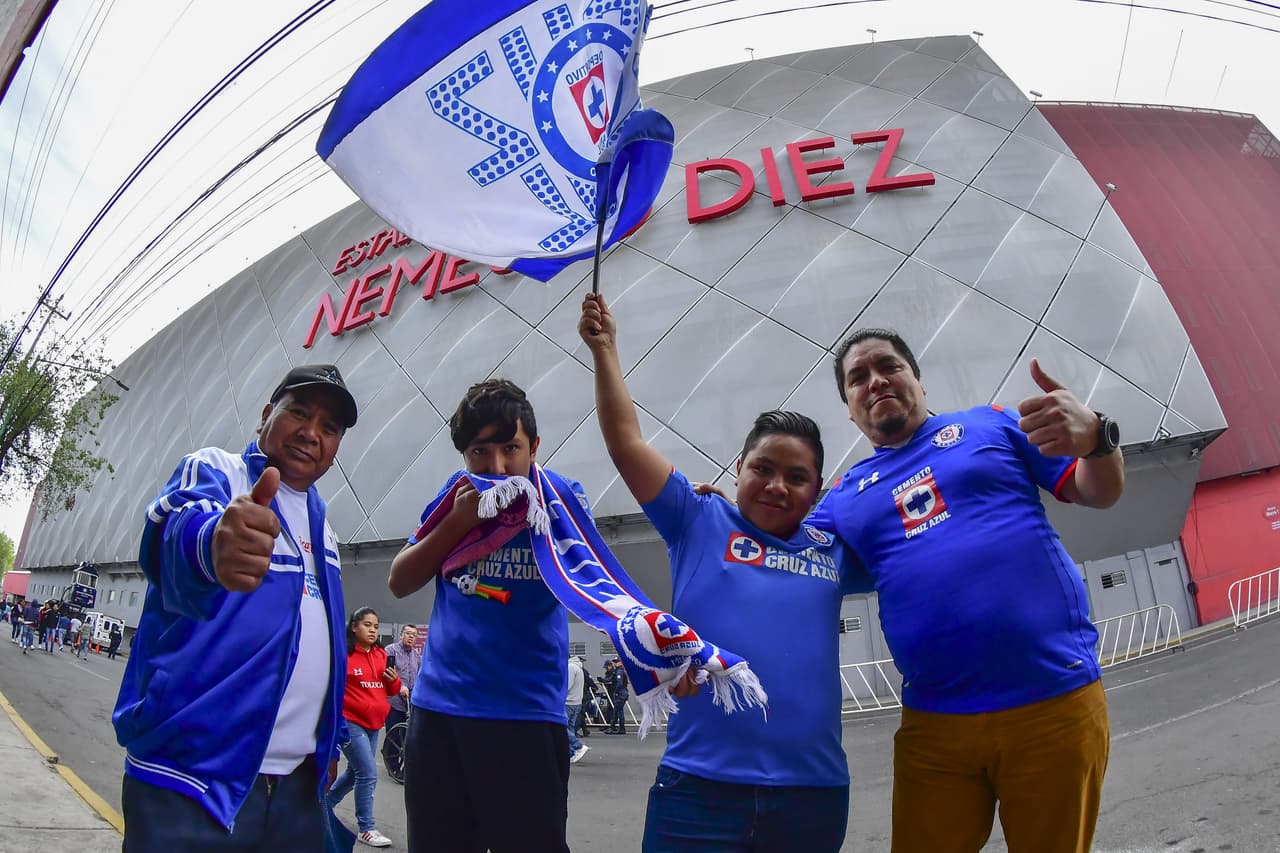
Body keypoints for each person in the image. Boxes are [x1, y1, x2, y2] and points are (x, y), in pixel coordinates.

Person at [808, 328, 1125, 853]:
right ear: (849, 408)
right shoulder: (843, 497)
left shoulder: (991, 424)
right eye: (857, 378)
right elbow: (782, 553)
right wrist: (720, 514)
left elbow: (1099, 491)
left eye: (889, 366)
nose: (875, 381)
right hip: (935, 726)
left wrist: (1097, 438)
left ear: (917, 379)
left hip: (1052, 700)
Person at [579, 293, 871, 852]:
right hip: (697, 790)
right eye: (762, 468)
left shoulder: (834, 548)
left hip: (812, 795)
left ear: (817, 490)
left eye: (797, 476)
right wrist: (606, 349)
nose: (776, 485)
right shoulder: (697, 518)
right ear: (738, 469)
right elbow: (626, 444)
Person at [112, 363, 358, 851]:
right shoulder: (217, 472)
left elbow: (325, 643)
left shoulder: (324, 528)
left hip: (295, 791)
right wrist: (210, 546)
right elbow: (171, 536)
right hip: (193, 782)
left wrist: (331, 741)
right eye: (299, 413)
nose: (312, 433)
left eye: (329, 428)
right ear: (267, 415)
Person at [389, 378, 583, 853]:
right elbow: (400, 579)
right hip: (439, 715)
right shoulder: (456, 496)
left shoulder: (561, 501)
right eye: (479, 452)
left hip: (525, 715)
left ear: (534, 446)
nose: (496, 467)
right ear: (464, 454)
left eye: (510, 449)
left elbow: (600, 588)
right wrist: (459, 522)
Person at [328, 606, 401, 848]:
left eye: (376, 626)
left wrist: (394, 681)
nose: (372, 630)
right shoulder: (344, 655)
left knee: (354, 773)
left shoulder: (380, 654)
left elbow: (389, 690)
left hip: (374, 725)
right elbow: (333, 689)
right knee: (368, 773)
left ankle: (325, 805)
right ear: (354, 626)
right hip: (350, 723)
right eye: (367, 625)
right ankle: (367, 827)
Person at [381, 624, 422, 783]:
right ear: (401, 635)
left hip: (409, 700)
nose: (411, 637)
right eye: (408, 633)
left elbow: (419, 674)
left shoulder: (416, 655)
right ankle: (393, 766)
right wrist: (400, 686)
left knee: (406, 735)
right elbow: (387, 673)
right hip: (394, 700)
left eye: (414, 635)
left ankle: (403, 767)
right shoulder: (391, 651)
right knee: (394, 733)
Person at [565, 655, 589, 764]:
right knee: (570, 728)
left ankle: (578, 746)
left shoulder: (570, 667)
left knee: (561, 727)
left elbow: (567, 686)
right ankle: (572, 752)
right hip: (577, 702)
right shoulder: (579, 668)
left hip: (568, 702)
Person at [603, 658, 629, 736]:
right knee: (617, 711)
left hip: (620, 694)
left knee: (619, 711)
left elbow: (619, 684)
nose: (615, 664)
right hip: (621, 694)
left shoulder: (619, 672)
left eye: (616, 662)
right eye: (614, 662)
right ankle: (614, 727)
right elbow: (611, 679)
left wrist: (616, 692)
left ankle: (620, 728)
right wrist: (603, 680)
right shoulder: (617, 671)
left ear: (620, 662)